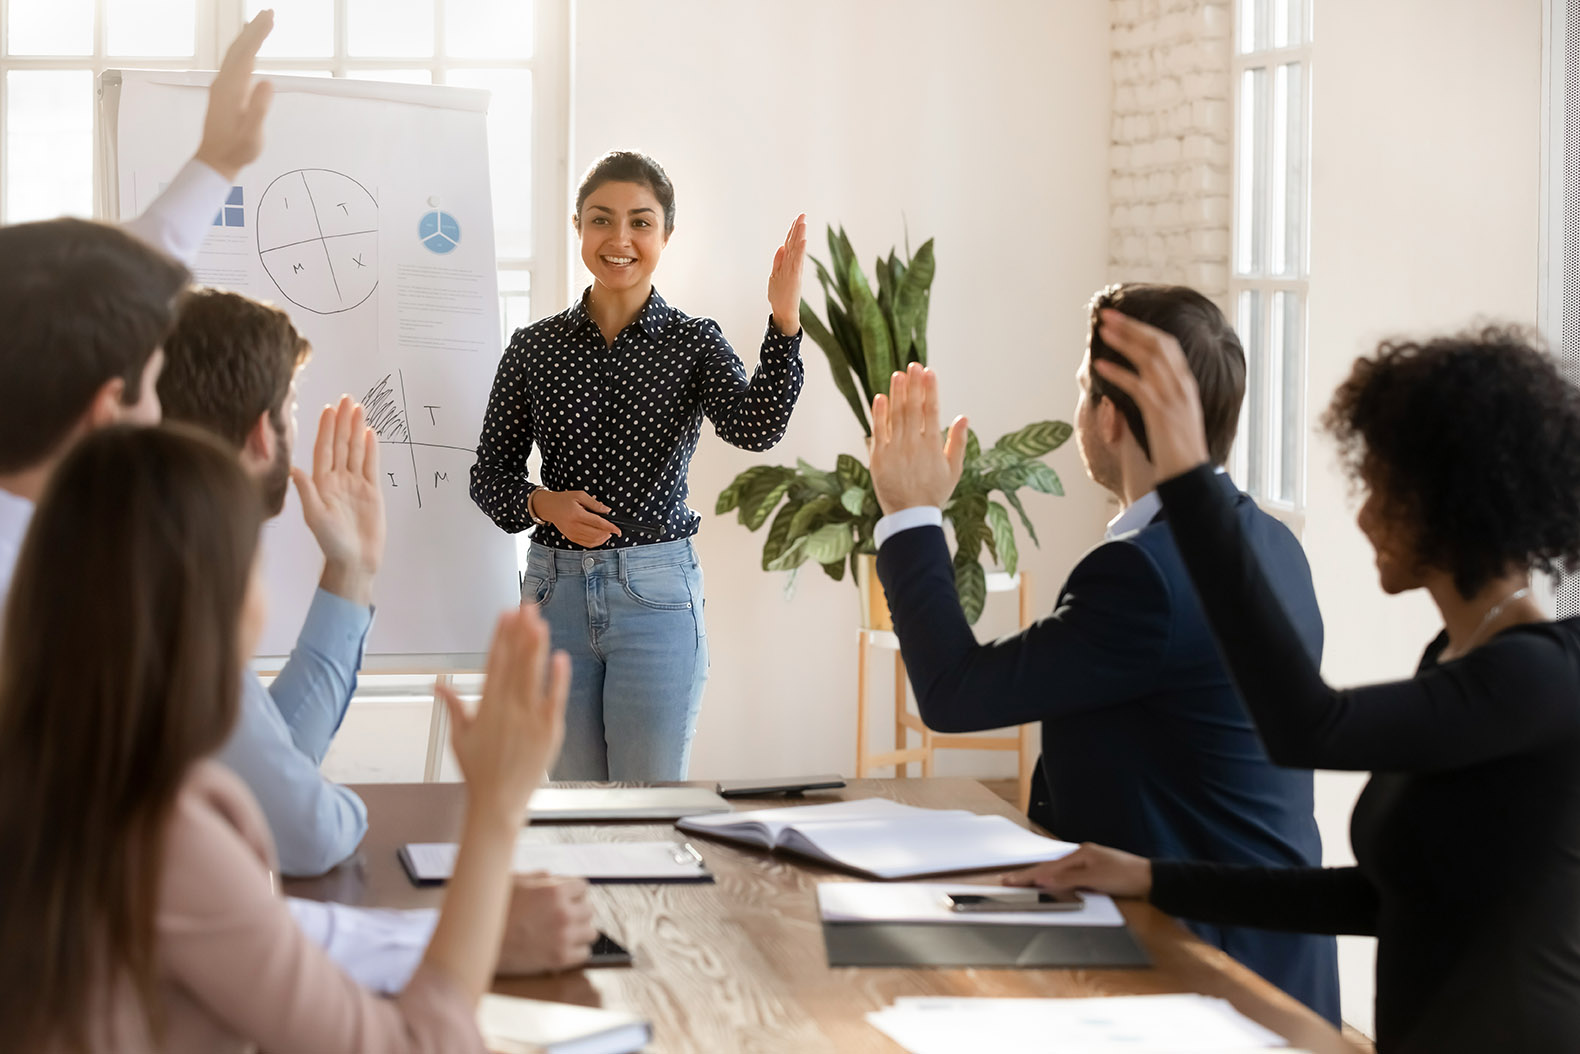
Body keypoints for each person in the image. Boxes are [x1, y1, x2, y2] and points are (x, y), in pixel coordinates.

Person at [1006, 317, 1580, 1053]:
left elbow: (1309, 727)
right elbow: (1380, 897)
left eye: (1381, 489)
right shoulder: (1465, 661)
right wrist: (1152, 877)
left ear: (1453, 501)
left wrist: (1188, 488)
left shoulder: (1536, 678)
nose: (1366, 516)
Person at [0, 424, 577, 1052]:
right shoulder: (162, 835)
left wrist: (350, 569)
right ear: (206, 605)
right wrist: (495, 808)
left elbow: (277, 793)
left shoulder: (52, 777)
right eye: (256, 564)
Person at [865, 284, 1338, 1022]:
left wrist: (912, 511)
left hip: (1199, 971)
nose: (1081, 412)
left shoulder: (1146, 572)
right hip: (1276, 963)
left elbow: (956, 694)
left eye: (1085, 394)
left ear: (1110, 418)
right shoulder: (1274, 544)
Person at [158, 287, 597, 978]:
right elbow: (307, 829)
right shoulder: (166, 596)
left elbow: (267, 766)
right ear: (258, 434)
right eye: (292, 407)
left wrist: (352, 570)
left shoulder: (155, 561)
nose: (296, 429)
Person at [471, 150, 808, 780]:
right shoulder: (534, 347)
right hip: (553, 595)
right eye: (601, 220)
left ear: (666, 236)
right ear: (578, 227)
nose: (619, 239)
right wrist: (545, 504)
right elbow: (489, 478)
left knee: (650, 811)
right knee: (574, 812)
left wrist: (784, 321)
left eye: (640, 223)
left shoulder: (694, 341)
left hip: (655, 597)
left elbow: (757, 427)